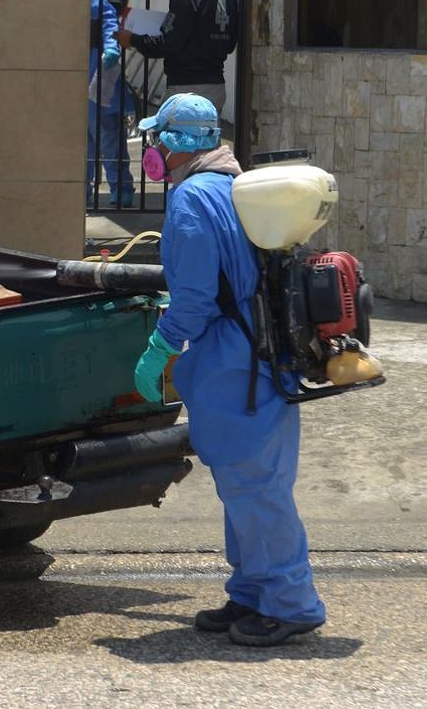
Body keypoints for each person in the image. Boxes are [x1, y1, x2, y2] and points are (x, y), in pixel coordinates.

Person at [132, 93, 326, 647]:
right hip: (264, 359)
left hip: (236, 365)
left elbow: (193, 301)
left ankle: (291, 604)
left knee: (256, 490)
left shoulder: (193, 200)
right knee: (248, 486)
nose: (148, 151)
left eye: (153, 139)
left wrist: (158, 352)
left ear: (170, 145)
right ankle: (252, 592)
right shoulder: (233, 186)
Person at [113, 0, 239, 116]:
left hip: (187, 90)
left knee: (173, 142)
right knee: (207, 142)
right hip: (216, 87)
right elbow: (231, 43)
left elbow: (167, 44)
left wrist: (132, 39)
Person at [88, 0, 135, 208]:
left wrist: (111, 48)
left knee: (110, 138)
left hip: (100, 77)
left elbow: (109, 22)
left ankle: (121, 189)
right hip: (72, 78)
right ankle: (81, 190)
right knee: (78, 144)